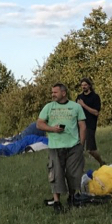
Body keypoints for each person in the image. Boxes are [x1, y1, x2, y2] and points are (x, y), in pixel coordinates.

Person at [35, 83, 87, 211]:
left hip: (73, 146)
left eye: (55, 92)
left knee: (73, 173)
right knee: (55, 173)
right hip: (55, 146)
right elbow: (39, 124)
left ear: (63, 93)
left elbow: (82, 126)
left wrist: (81, 144)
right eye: (52, 92)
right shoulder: (48, 107)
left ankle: (72, 197)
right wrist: (52, 129)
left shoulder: (76, 107)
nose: (53, 94)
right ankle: (57, 202)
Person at [76, 78, 106, 166]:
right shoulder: (79, 97)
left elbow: (96, 112)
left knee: (90, 149)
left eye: (85, 85)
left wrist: (84, 105)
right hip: (79, 125)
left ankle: (101, 162)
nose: (83, 87)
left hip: (90, 125)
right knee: (78, 148)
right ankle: (79, 167)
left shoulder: (95, 97)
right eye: (82, 85)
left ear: (89, 85)